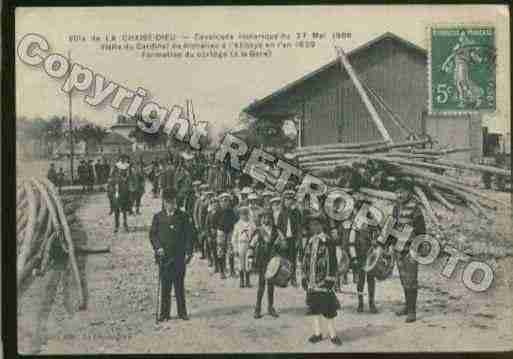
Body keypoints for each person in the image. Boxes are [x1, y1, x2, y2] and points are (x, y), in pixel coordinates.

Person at [150, 188, 194, 322]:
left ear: (176, 202)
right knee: (165, 286)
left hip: (179, 256)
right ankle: (164, 313)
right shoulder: (158, 217)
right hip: (164, 257)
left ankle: (182, 312)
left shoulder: (183, 216)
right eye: (168, 202)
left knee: (179, 285)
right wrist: (158, 248)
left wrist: (188, 251)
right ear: (164, 202)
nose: (170, 204)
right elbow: (153, 235)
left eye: (173, 202)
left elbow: (189, 235)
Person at [302, 210, 342, 346]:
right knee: (314, 307)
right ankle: (318, 333)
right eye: (311, 225)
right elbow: (305, 259)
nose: (313, 227)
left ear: (322, 226)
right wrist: (304, 276)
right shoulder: (310, 241)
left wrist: (330, 279)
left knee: (328, 308)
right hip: (311, 280)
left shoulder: (328, 241)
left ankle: (333, 334)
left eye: (316, 224)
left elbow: (333, 261)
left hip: (323, 280)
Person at [391, 178, 426, 323]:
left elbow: (421, 229)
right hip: (399, 249)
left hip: (411, 248)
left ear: (408, 192)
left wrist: (419, 247)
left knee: (412, 280)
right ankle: (407, 305)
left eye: (402, 192)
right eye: (397, 192)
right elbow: (392, 226)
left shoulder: (415, 207)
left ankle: (412, 311)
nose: (399, 195)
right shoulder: (396, 207)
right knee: (404, 279)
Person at [247, 210, 286, 319]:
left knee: (271, 285)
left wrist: (281, 243)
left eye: (268, 217)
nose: (266, 219)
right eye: (263, 217)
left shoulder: (277, 231)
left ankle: (270, 307)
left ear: (271, 218)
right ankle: (257, 308)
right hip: (262, 261)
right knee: (261, 285)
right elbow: (251, 245)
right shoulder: (258, 231)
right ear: (261, 219)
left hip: (273, 261)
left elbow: (284, 245)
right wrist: (250, 260)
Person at [273, 191, 302, 287]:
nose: (289, 202)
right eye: (287, 199)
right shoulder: (282, 213)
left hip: (293, 239)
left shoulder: (296, 212)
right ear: (284, 201)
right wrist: (282, 239)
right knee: (284, 259)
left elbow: (299, 227)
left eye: (291, 199)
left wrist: (298, 240)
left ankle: (293, 278)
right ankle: (284, 278)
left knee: (293, 259)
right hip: (284, 239)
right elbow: (279, 228)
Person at [214, 192, 238, 279]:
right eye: (223, 201)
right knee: (220, 251)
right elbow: (214, 222)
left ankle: (232, 270)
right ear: (220, 202)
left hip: (230, 232)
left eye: (227, 200)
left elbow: (235, 221)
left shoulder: (231, 211)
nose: (225, 202)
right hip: (221, 231)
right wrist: (216, 230)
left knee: (231, 250)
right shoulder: (218, 211)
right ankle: (222, 271)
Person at [232, 206, 256, 288]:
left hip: (249, 244)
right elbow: (234, 237)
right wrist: (235, 248)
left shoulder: (252, 224)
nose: (244, 216)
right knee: (240, 262)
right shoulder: (237, 225)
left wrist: (253, 245)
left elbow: (255, 235)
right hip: (240, 244)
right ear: (240, 215)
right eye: (242, 214)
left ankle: (248, 280)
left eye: (246, 214)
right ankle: (242, 280)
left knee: (249, 261)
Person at [109, 162, 131, 233]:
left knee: (124, 211)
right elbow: (110, 188)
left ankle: (125, 225)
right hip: (115, 197)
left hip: (123, 197)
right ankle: (116, 226)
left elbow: (127, 188)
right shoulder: (113, 179)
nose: (121, 172)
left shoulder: (125, 179)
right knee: (116, 212)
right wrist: (113, 193)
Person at [205, 196, 220, 271]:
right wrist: (208, 235)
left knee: (219, 251)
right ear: (211, 205)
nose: (215, 206)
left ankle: (221, 267)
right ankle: (215, 266)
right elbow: (206, 226)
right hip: (211, 234)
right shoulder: (209, 214)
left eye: (216, 204)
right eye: (213, 204)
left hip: (219, 234)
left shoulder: (220, 213)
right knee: (213, 251)